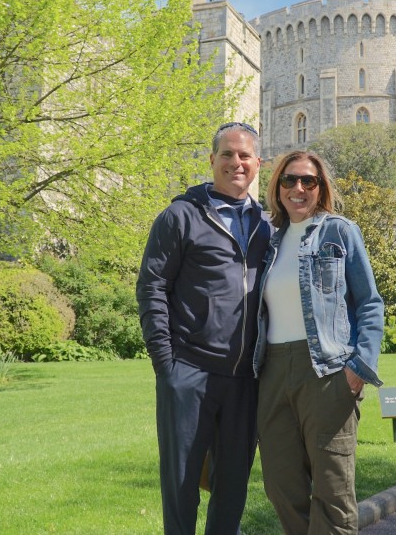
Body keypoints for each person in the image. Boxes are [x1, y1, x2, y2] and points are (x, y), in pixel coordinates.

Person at [136, 122, 272, 535]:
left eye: (244, 156)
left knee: (231, 489)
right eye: (227, 155)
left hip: (244, 379)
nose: (236, 163)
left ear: (257, 164)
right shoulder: (181, 215)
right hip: (189, 372)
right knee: (181, 487)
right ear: (212, 160)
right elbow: (152, 286)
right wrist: (167, 366)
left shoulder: (268, 225)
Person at [253, 150, 385, 534]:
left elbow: (370, 304)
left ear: (320, 187)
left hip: (326, 372)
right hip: (273, 373)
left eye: (307, 181)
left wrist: (358, 368)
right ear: (277, 187)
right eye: (289, 180)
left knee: (332, 492)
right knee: (281, 486)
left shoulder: (339, 231)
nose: (298, 188)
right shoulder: (269, 241)